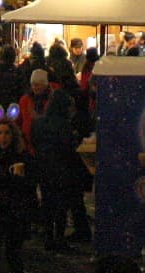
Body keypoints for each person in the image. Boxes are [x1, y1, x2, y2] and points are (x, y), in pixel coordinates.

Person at [30, 89, 88, 249]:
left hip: (43, 167)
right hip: (62, 169)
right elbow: (69, 147)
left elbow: (34, 142)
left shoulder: (38, 123)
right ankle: (59, 238)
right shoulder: (65, 125)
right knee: (61, 204)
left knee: (47, 202)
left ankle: (48, 237)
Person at [0, 120, 33, 273]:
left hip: (13, 211)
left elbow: (28, 184)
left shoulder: (22, 157)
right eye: (0, 133)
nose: (3, 137)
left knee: (13, 254)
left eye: (7, 133)